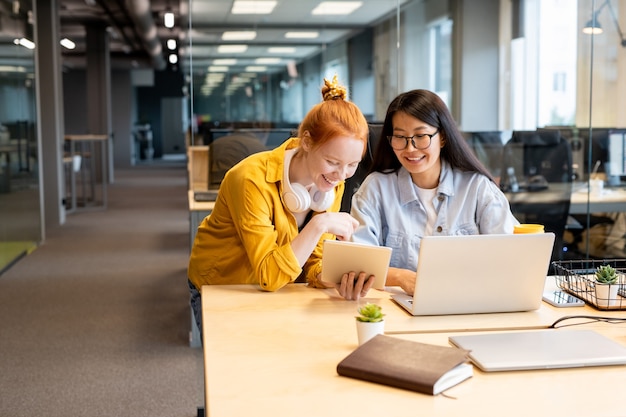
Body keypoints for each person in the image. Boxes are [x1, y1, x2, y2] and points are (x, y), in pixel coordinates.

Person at [188, 76, 374, 333]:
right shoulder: (251, 179)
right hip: (222, 286)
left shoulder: (332, 184)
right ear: (307, 142)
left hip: (277, 289)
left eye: (352, 165)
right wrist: (318, 225)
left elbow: (313, 259)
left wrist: (330, 277)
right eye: (333, 162)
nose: (341, 175)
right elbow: (269, 274)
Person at [350, 89, 519, 295]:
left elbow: (510, 258)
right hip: (397, 310)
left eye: (421, 136)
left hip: (469, 304)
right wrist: (402, 278)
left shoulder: (477, 188)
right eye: (400, 137)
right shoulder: (376, 188)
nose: (410, 148)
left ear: (443, 137)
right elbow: (358, 264)